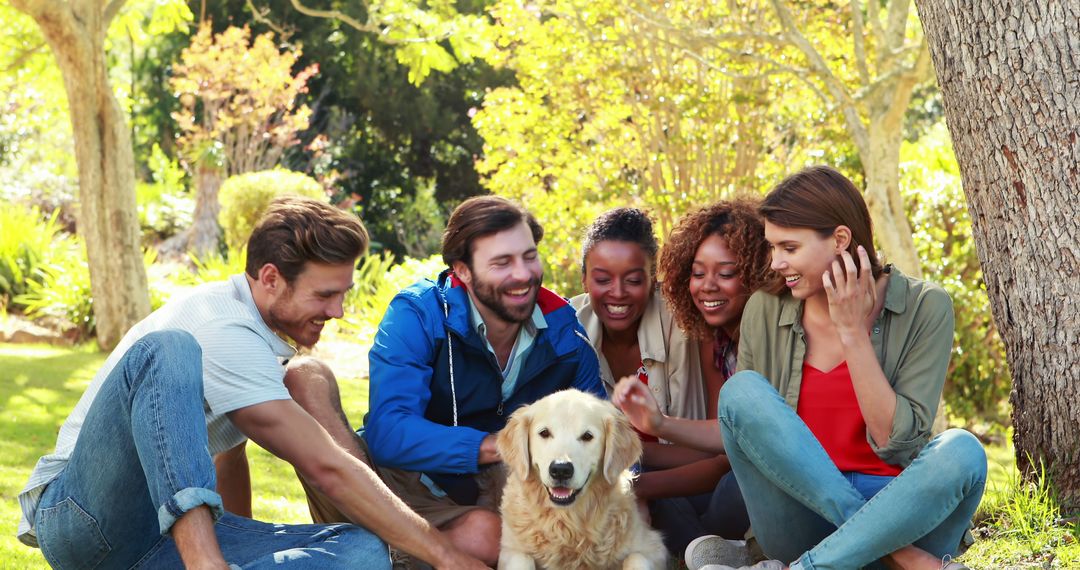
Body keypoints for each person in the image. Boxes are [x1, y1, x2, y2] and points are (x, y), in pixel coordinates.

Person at [17, 197, 486, 570]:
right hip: (85, 522)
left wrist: (242, 542)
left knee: (364, 552)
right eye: (325, 294)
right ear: (270, 279)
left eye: (343, 294)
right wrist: (446, 555)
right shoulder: (221, 325)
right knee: (169, 349)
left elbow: (227, 456)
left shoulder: (256, 336)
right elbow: (328, 467)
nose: (338, 311)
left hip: (159, 544)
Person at [615, 166, 986, 570]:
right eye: (773, 247)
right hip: (800, 520)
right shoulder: (766, 309)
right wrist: (660, 424)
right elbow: (752, 432)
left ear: (840, 239)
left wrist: (853, 335)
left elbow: (894, 443)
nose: (775, 263)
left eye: (788, 248)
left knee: (963, 450)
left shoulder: (925, 307)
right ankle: (894, 558)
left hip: (902, 514)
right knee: (742, 392)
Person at [289, 195, 604, 566]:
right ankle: (384, 547)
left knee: (490, 535)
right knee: (304, 376)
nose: (522, 274)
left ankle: (377, 554)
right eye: (502, 262)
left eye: (529, 256)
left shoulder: (565, 335)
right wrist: (502, 445)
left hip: (474, 503)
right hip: (383, 484)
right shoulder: (419, 314)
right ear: (463, 271)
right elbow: (389, 434)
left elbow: (601, 442)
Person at [570, 204, 771, 556]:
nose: (617, 292)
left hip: (716, 485)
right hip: (661, 487)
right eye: (602, 279)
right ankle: (716, 554)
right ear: (584, 279)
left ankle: (711, 551)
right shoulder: (570, 329)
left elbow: (726, 451)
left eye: (633, 279)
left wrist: (631, 474)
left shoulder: (693, 322)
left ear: (654, 279)